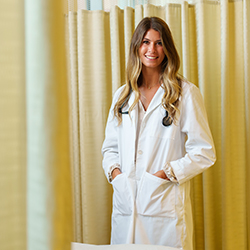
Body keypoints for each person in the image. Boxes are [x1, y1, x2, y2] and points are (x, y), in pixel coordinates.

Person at [102, 17, 216, 250]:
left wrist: (166, 173)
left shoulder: (185, 93)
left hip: (164, 208)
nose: (151, 49)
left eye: (159, 43)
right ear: (137, 47)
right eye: (145, 42)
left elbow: (204, 152)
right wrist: (116, 174)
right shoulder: (123, 95)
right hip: (126, 205)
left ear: (167, 49)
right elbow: (110, 148)